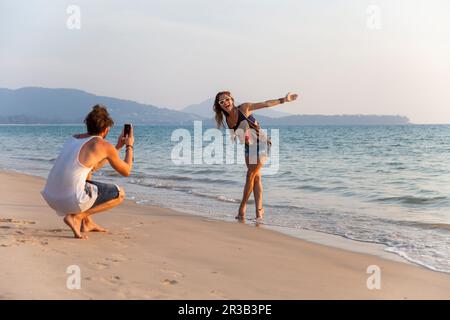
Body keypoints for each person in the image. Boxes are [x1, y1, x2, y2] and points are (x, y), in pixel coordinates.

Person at [41, 104, 134, 239]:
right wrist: (129, 145)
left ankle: (87, 223)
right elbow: (126, 171)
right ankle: (78, 217)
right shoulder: (103, 145)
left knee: (87, 173)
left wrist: (118, 147)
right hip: (70, 199)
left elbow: (93, 167)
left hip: (51, 197)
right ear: (106, 129)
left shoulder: (74, 138)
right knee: (120, 194)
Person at [213, 91, 298, 222]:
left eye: (227, 99)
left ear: (232, 100)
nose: (225, 103)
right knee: (256, 178)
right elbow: (239, 136)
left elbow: (266, 104)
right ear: (219, 105)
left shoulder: (244, 108)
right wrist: (242, 136)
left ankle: (242, 209)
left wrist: (284, 100)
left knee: (250, 175)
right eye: (222, 101)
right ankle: (259, 211)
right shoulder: (228, 120)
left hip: (262, 144)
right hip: (249, 148)